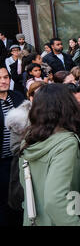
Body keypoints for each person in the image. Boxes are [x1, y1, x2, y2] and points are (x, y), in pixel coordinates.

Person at [19, 83, 80, 226]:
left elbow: (25, 184)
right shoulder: (66, 143)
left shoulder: (28, 139)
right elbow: (55, 199)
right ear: (67, 106)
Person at [5, 81, 44, 220]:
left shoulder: (52, 115)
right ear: (31, 97)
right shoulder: (20, 118)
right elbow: (15, 148)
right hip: (25, 170)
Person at [0, 66, 25, 226]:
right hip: (1, 161)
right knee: (3, 199)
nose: (3, 81)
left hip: (19, 158)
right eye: (0, 78)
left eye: (6, 77)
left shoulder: (17, 98)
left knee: (19, 197)